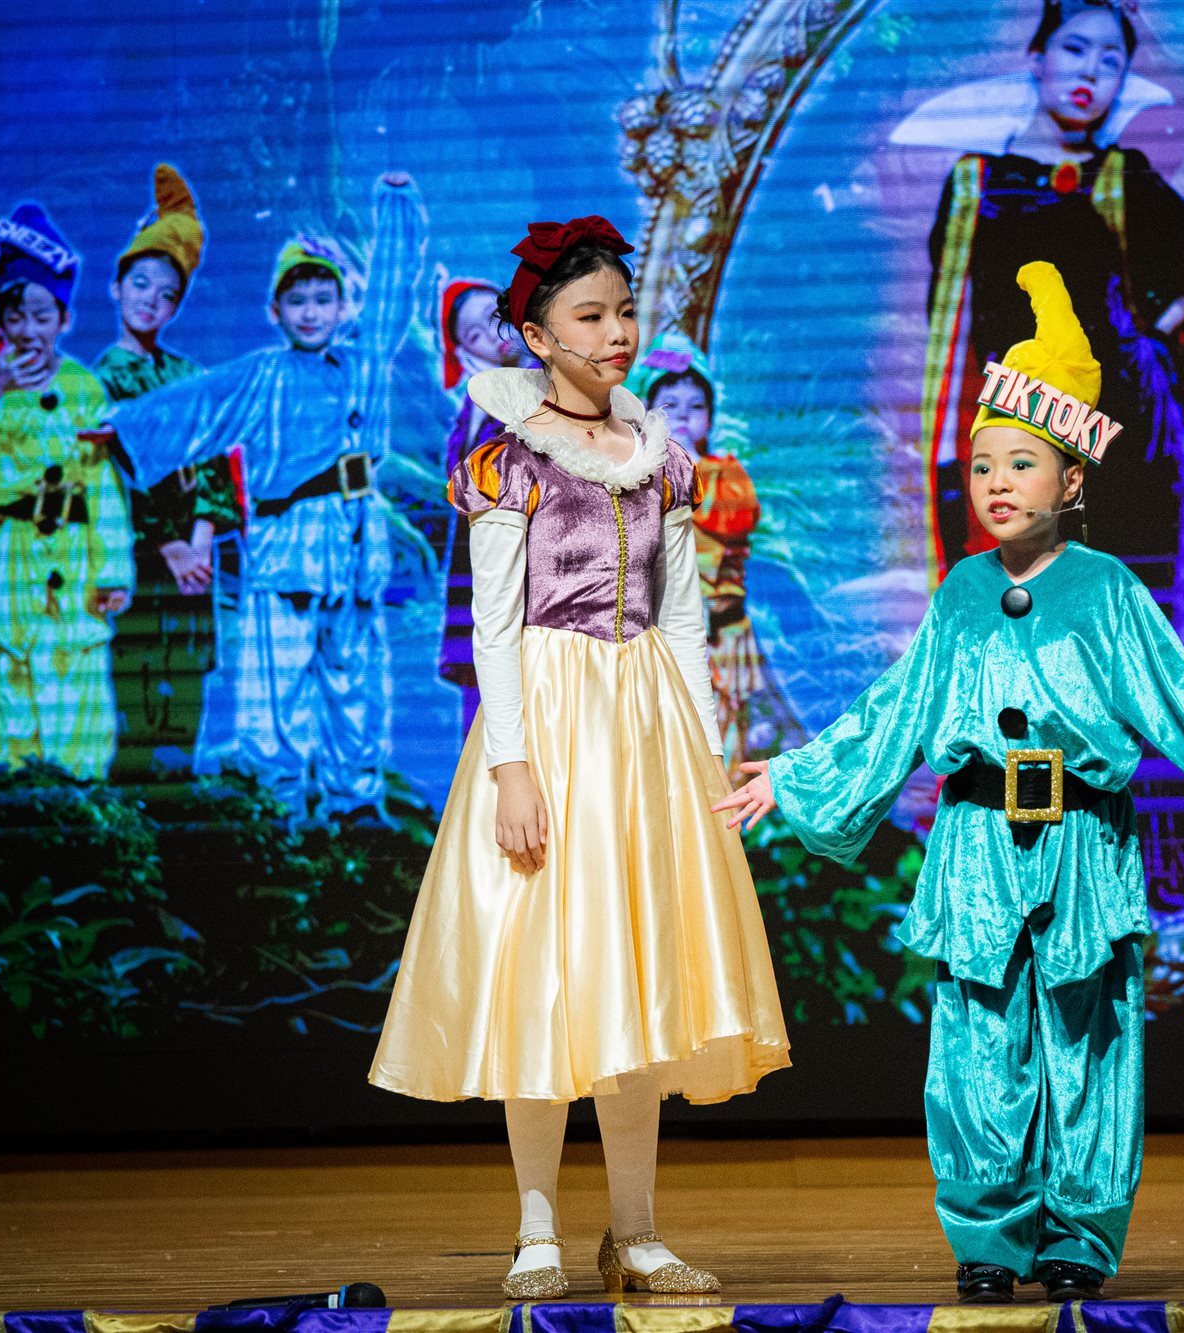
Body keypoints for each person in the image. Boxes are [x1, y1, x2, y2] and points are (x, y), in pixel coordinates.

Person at [715, 262, 1184, 1304]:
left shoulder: (1106, 590)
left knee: (1085, 1041)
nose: (997, 483)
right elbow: (896, 708)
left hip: (1079, 842)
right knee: (977, 1046)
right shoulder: (959, 593)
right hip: (978, 842)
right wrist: (794, 776)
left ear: (1071, 483)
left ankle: (1077, 1235)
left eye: (1021, 463)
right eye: (982, 466)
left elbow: (1179, 694)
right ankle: (987, 1236)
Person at [369, 216, 790, 1300]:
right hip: (551, 719)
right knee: (542, 978)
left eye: (623, 312)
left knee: (638, 976)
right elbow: (494, 629)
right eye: (590, 316)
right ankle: (537, 1227)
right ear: (539, 336)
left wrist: (702, 746)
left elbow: (683, 616)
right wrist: (510, 766)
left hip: (644, 726)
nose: (616, 333)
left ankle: (636, 1230)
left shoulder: (662, 457)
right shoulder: (509, 462)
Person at [893, 0, 1184, 902]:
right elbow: (950, 331)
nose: (1090, 71)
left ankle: (1153, 855)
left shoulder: (1124, 180)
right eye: (1074, 48)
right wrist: (962, 458)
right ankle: (1032, 863)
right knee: (1029, 648)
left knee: (1134, 640)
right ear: (1036, 56)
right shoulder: (976, 183)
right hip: (1025, 438)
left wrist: (1151, 346)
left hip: (1134, 455)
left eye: (1111, 59)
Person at [103, 173, 426, 821]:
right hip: (290, 539)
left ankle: (355, 800)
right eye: (296, 300)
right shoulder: (264, 373)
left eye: (323, 299)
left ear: (343, 307)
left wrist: (395, 209)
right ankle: (274, 802)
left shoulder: (364, 361)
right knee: (277, 677)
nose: (310, 311)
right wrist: (123, 428)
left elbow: (393, 293)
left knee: (354, 672)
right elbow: (198, 406)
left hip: (354, 540)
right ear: (275, 312)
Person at [0, 203, 131, 777]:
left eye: (41, 316)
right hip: (12, 549)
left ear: (65, 320)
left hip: (73, 553)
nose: (28, 330)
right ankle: (11, 776)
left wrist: (113, 569)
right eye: (15, 316)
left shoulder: (83, 386)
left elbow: (101, 482)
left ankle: (78, 779)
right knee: (11, 659)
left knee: (74, 660)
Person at [96, 164, 240, 777]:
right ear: (116, 286)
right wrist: (170, 544)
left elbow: (213, 463)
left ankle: (180, 784)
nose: (150, 301)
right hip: (136, 551)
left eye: (167, 295)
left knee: (186, 669)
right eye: (140, 284)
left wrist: (201, 541)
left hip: (193, 558)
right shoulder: (97, 382)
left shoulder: (188, 376)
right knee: (134, 665)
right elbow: (112, 476)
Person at [627, 331, 771, 770]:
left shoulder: (725, 473)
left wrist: (687, 465)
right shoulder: (635, 475)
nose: (685, 416)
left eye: (697, 406)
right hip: (658, 630)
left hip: (719, 634)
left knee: (721, 737)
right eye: (670, 406)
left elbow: (736, 518)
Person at [435, 276, 529, 734]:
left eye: (496, 316)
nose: (492, 334)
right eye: (474, 334)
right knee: (483, 690)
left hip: (530, 558)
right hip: (480, 558)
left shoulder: (545, 390)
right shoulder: (475, 403)